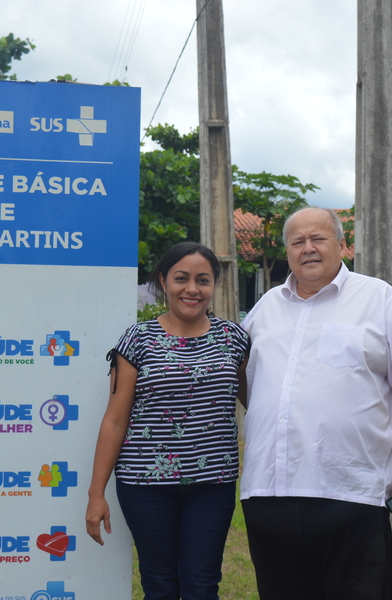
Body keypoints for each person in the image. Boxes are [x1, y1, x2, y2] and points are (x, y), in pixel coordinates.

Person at [239, 207, 392, 600]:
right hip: (269, 494)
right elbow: (249, 382)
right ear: (287, 251)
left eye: (319, 239)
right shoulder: (265, 308)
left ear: (341, 243)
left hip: (351, 494)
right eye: (298, 242)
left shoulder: (378, 299)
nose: (308, 249)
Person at [85, 241, 249, 600]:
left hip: (213, 484)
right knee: (159, 585)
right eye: (181, 278)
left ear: (214, 285)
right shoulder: (138, 339)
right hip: (145, 485)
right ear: (163, 281)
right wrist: (96, 493)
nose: (192, 289)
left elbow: (258, 404)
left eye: (203, 280)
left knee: (202, 586)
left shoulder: (234, 339)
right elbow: (115, 420)